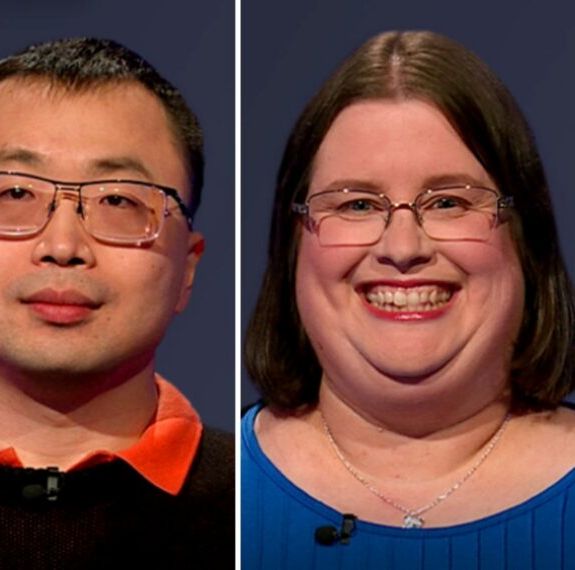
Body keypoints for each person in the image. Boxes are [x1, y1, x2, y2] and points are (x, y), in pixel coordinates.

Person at [242, 30, 575, 568]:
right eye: (356, 205)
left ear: (525, 238)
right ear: (293, 244)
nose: (402, 248)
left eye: (448, 201)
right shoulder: (205, 500)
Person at [0, 37, 234, 568]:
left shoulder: (258, 516)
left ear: (188, 268)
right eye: (14, 195)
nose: (62, 247)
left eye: (119, 201)